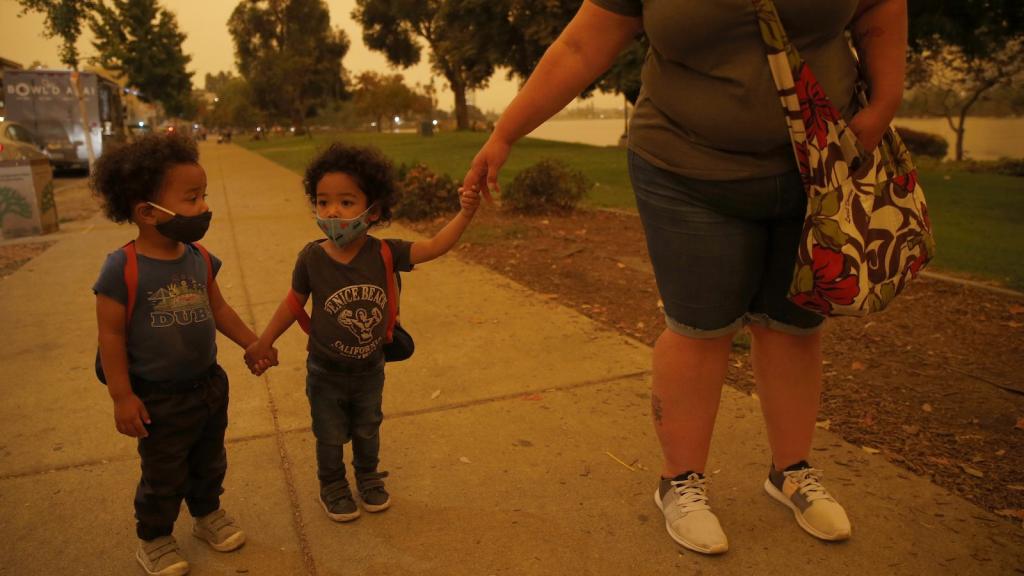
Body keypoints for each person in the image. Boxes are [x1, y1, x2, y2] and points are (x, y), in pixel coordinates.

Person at [463, 0, 907, 555]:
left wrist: (885, 100)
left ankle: (791, 472)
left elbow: (880, 10)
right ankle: (680, 483)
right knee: (700, 327)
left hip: (819, 165)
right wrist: (505, 133)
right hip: (685, 167)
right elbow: (581, 46)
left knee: (795, 324)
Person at [246, 143, 480, 522]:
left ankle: (368, 478)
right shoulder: (311, 258)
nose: (332, 212)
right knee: (329, 433)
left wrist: (466, 213)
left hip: (370, 368)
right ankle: (333, 485)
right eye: (323, 202)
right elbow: (293, 303)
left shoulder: (385, 253)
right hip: (325, 370)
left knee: (368, 428)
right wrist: (264, 340)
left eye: (346, 202)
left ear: (374, 210)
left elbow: (436, 246)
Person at [93, 133, 274, 575]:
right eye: (192, 198)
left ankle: (207, 514)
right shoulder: (123, 268)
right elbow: (110, 336)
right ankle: (153, 537)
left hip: (208, 384)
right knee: (163, 472)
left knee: (209, 459)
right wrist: (122, 396)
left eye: (204, 195)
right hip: (157, 397)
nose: (205, 207)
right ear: (148, 212)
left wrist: (252, 341)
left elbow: (219, 308)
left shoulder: (198, 257)